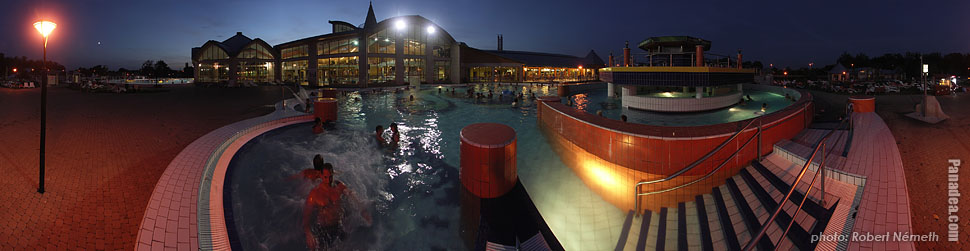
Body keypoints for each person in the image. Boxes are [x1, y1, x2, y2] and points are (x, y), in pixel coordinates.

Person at [303, 163, 371, 250]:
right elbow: (306, 216)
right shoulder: (314, 194)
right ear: (321, 176)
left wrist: (362, 210)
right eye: (325, 177)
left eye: (330, 176)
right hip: (324, 230)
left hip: (338, 226)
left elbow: (351, 195)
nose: (328, 180)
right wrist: (308, 233)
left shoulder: (338, 185)